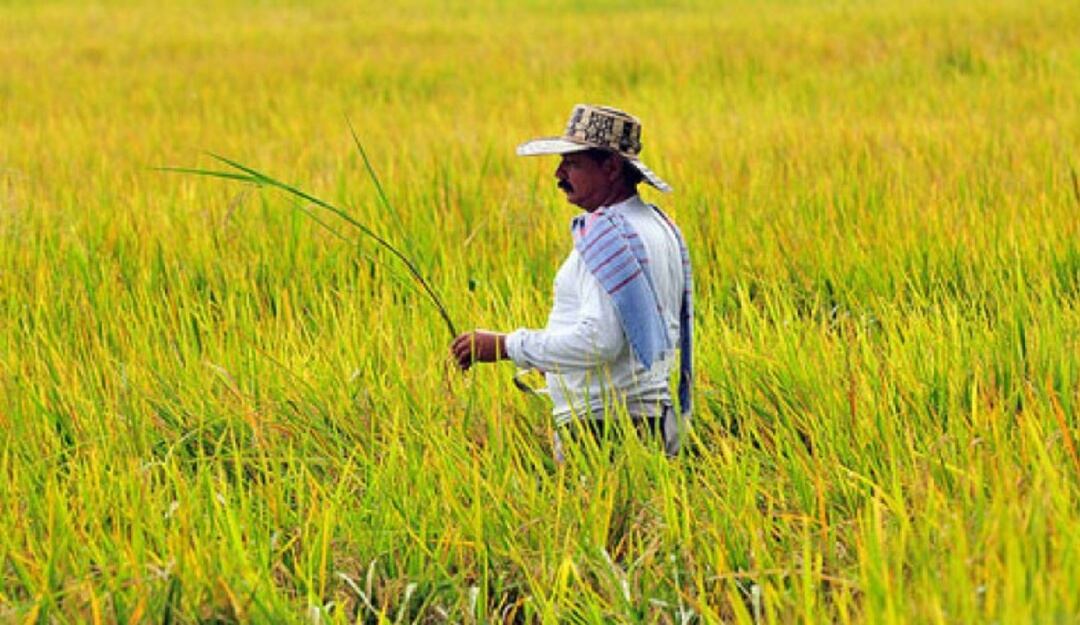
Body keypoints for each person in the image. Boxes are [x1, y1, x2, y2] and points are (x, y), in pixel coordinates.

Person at [450, 104, 692, 458]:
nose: (558, 173)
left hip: (604, 430)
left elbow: (600, 341)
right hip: (650, 420)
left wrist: (506, 346)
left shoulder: (608, 234)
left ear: (610, 167)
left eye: (573, 163)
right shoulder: (657, 225)